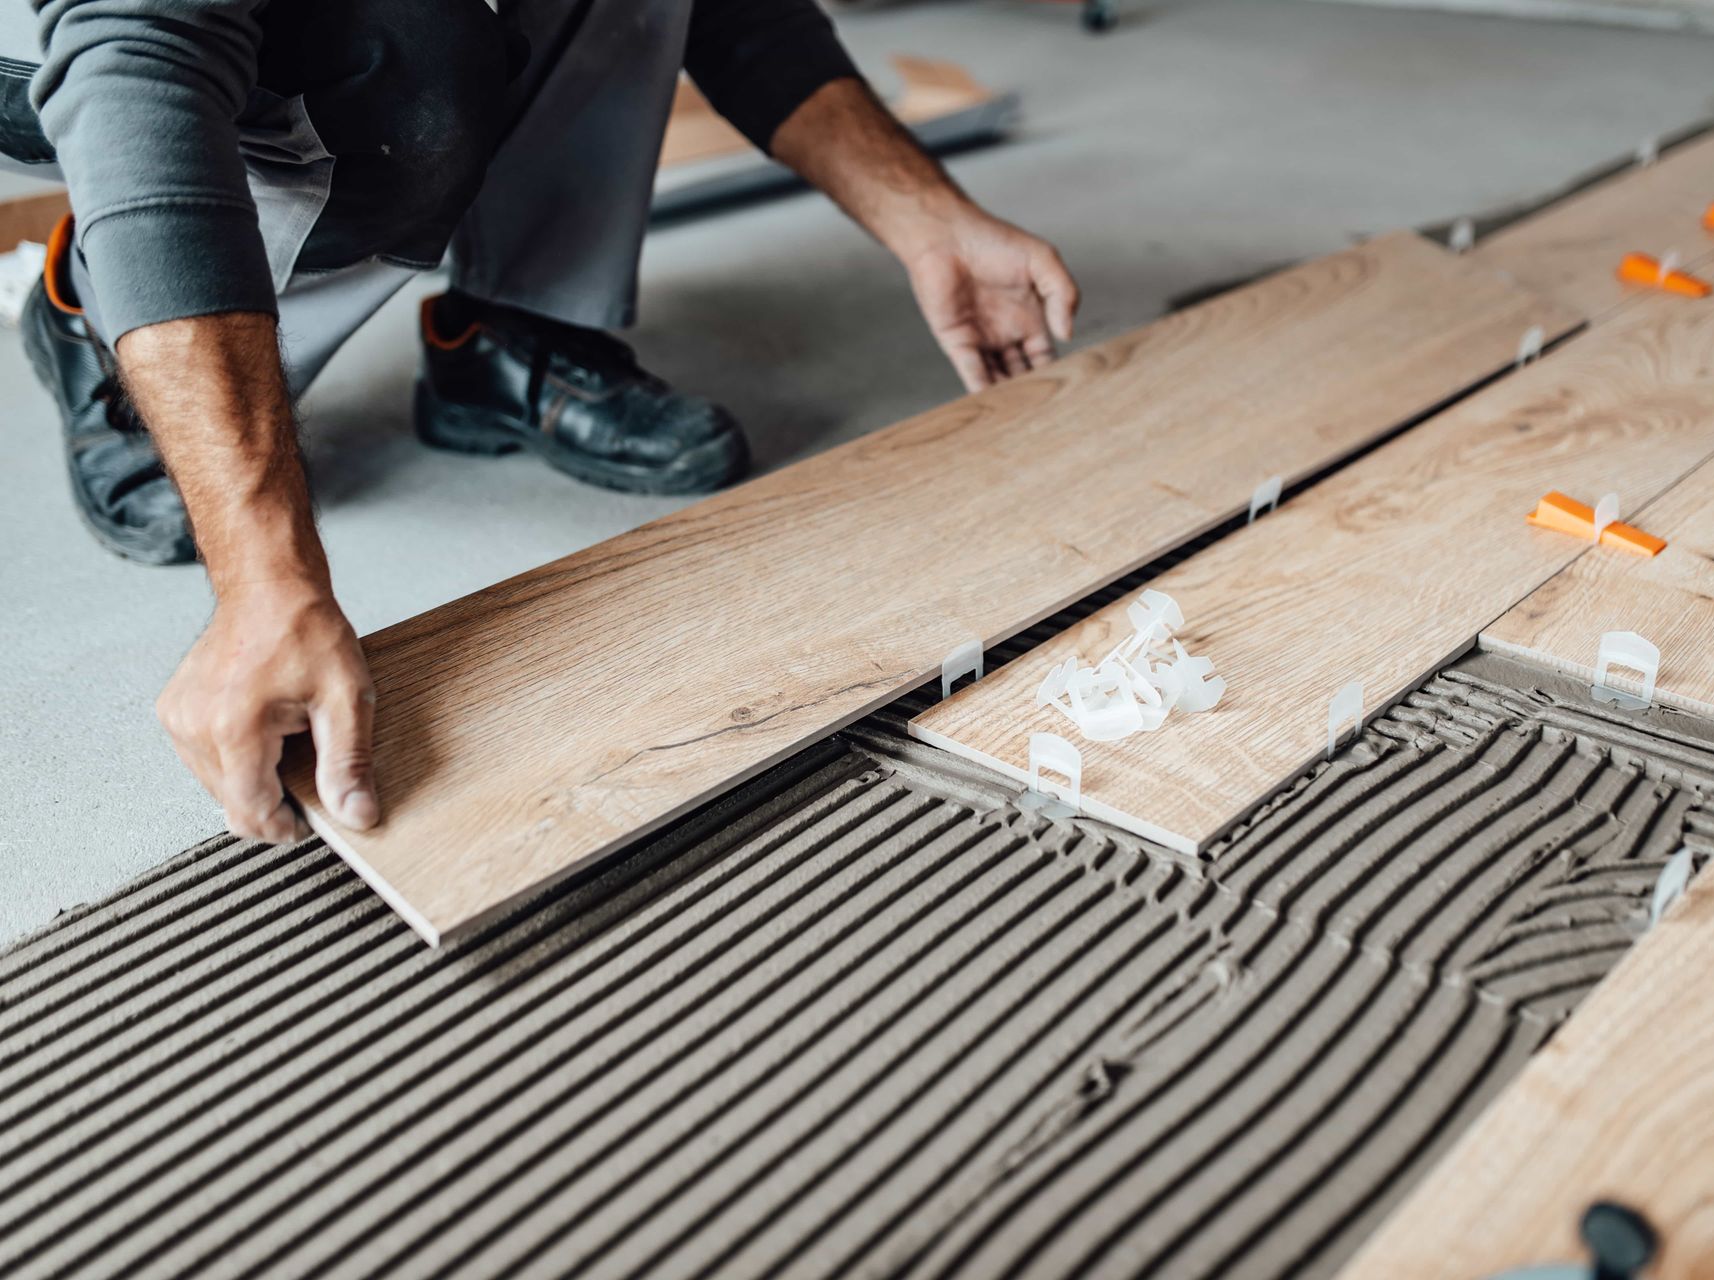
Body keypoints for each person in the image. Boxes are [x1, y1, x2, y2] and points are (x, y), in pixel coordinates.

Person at [3, 0, 1079, 846]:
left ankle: (520, 320)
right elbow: (137, 66)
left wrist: (929, 219)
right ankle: (96, 316)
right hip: (62, 37)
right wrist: (263, 577)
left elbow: (736, 11)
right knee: (410, 62)